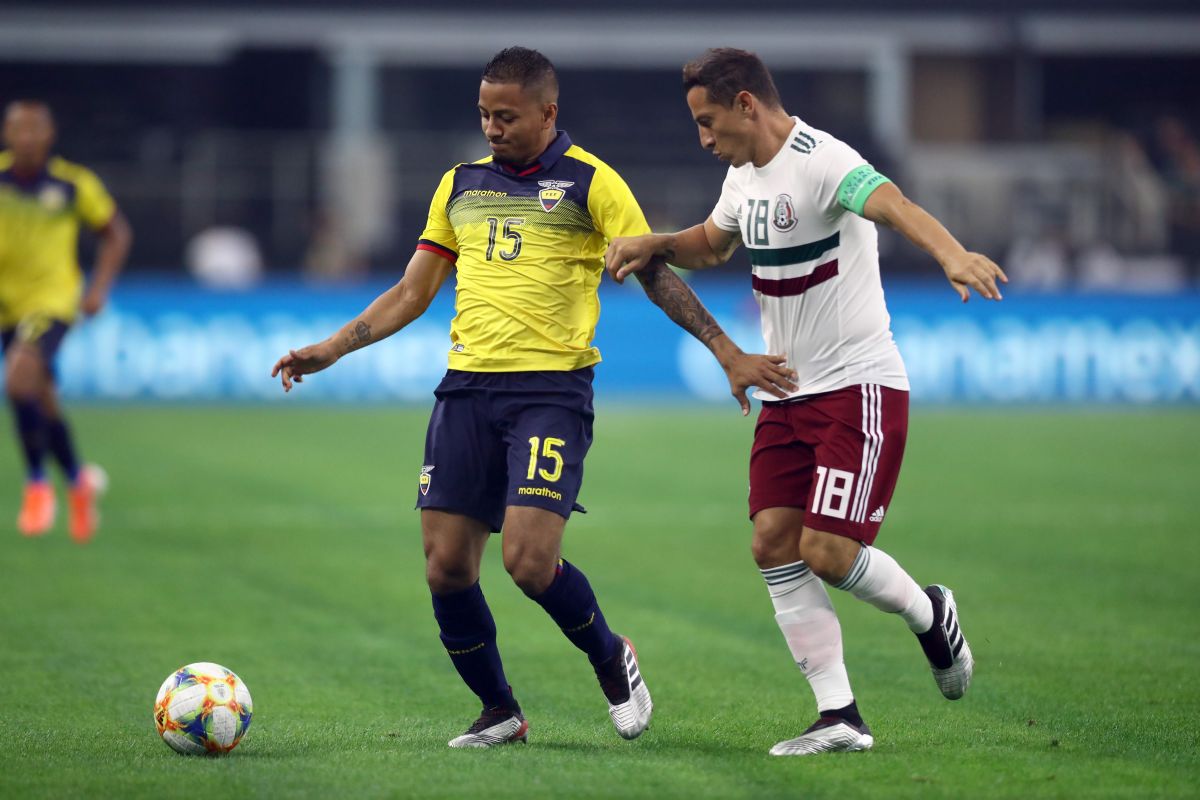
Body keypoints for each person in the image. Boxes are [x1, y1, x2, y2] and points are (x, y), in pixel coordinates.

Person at [272, 47, 790, 749]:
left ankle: (612, 659)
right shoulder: (459, 185)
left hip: (550, 391)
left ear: (548, 113)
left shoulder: (592, 182)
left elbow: (656, 273)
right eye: (484, 114)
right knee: (446, 565)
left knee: (528, 562)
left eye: (507, 115)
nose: (492, 126)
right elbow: (412, 291)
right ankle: (500, 711)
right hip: (465, 391)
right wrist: (330, 348)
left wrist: (727, 351)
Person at [605, 48, 1007, 756]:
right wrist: (657, 243)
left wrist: (951, 255)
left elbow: (895, 204)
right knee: (771, 544)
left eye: (708, 121)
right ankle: (839, 716)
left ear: (746, 105)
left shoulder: (822, 159)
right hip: (788, 393)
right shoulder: (741, 176)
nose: (703, 137)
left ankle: (929, 612)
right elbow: (713, 244)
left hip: (858, 388)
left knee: (827, 550)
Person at [0, 100, 131, 542]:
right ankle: (77, 481)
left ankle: (37, 485)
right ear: (7, 133)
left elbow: (115, 232)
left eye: (36, 129)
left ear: (50, 135)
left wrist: (98, 289)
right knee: (42, 397)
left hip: (51, 302)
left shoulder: (73, 184)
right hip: (7, 305)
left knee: (19, 381)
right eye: (19, 128)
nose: (27, 137)